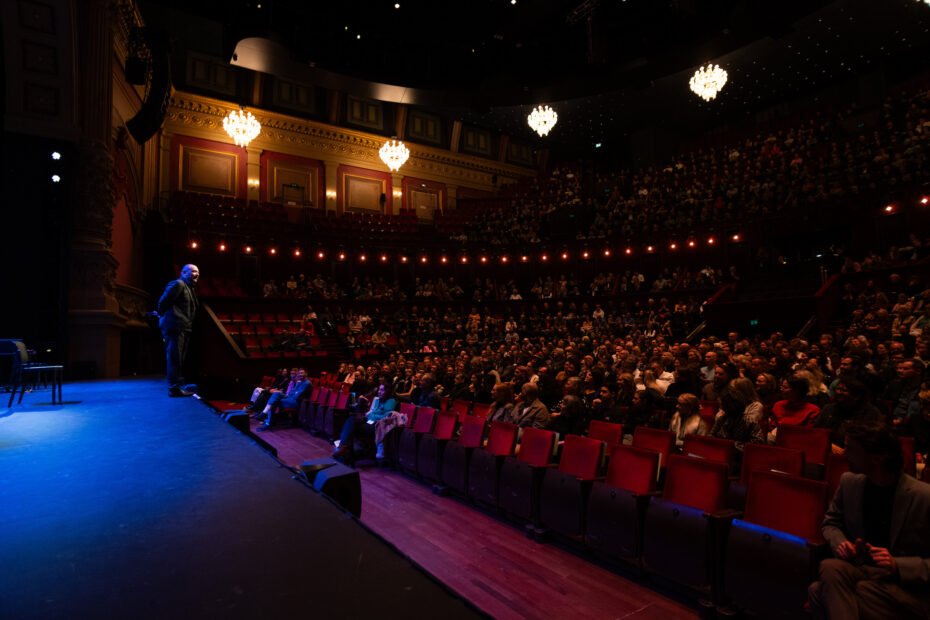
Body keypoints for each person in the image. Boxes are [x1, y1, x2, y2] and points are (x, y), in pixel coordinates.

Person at [808, 421, 930, 619]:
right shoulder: (850, 483)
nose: (843, 453)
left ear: (876, 458)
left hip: (905, 586)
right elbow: (831, 522)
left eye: (850, 449)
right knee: (830, 567)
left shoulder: (923, 497)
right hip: (863, 570)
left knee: (819, 591)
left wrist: (897, 564)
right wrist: (841, 543)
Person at [156, 264, 199, 397]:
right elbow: (163, 303)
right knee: (175, 357)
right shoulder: (178, 284)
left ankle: (178, 385)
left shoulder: (190, 288)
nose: (196, 274)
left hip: (184, 327)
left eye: (197, 272)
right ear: (183, 272)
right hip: (175, 326)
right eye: (192, 271)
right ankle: (174, 388)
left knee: (179, 358)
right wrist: (164, 316)